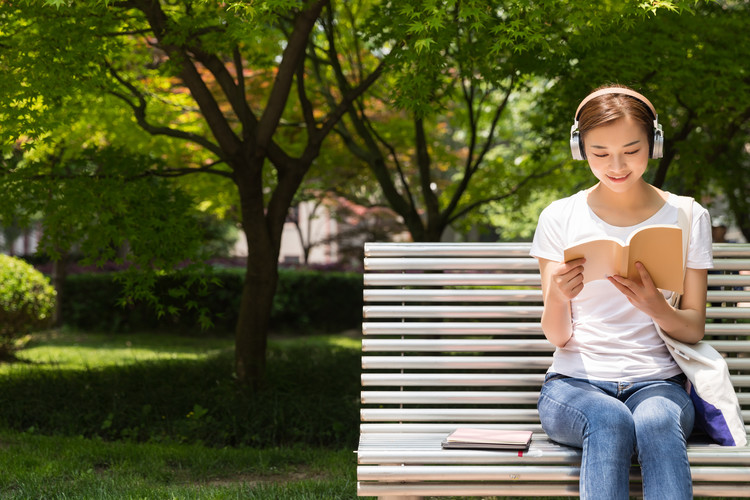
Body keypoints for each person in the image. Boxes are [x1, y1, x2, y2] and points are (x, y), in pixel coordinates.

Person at [530, 84, 713, 499]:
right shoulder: (560, 216)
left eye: (632, 150)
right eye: (600, 153)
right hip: (573, 385)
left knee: (654, 421)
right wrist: (558, 295)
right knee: (609, 420)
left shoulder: (687, 215)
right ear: (580, 149)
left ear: (655, 142)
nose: (617, 165)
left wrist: (655, 306)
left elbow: (694, 329)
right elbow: (557, 337)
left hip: (659, 383)